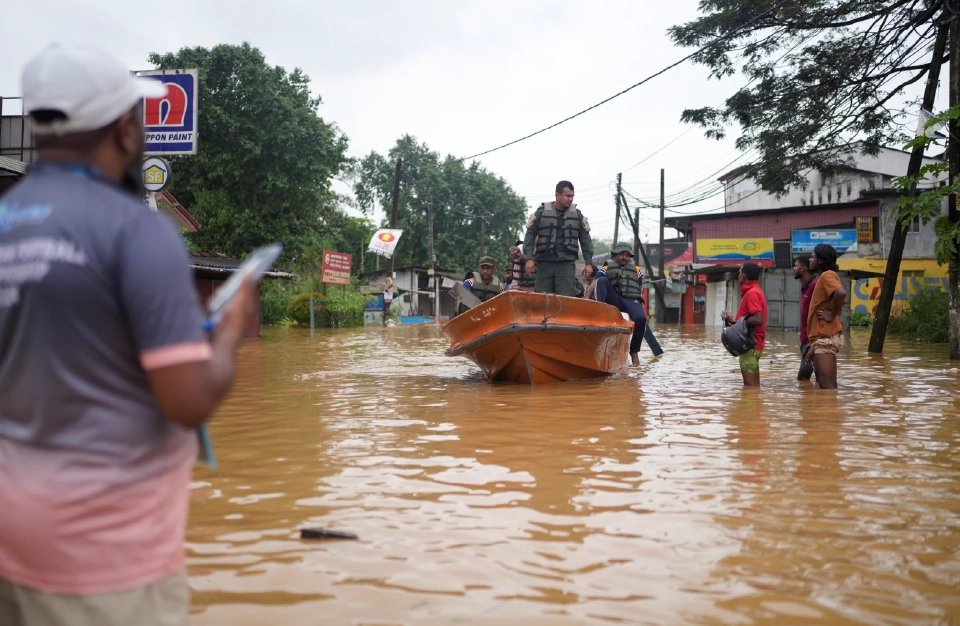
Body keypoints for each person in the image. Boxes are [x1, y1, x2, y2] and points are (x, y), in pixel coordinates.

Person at [0, 44, 257, 626]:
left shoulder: (6, 219)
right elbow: (187, 399)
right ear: (122, 129)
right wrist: (229, 331)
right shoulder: (137, 232)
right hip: (102, 548)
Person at [522, 180, 594, 296]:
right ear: (558, 195)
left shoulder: (577, 215)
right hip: (544, 263)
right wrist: (529, 258)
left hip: (566, 264)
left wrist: (588, 263)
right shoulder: (541, 213)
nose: (570, 199)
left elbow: (585, 240)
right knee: (542, 299)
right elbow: (529, 236)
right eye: (567, 196)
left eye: (572, 196)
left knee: (565, 299)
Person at [595, 243, 647, 367]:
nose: (624, 257)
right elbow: (595, 284)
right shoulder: (607, 267)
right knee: (602, 280)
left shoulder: (637, 269)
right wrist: (587, 299)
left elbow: (640, 286)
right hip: (614, 299)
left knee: (642, 318)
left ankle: (634, 351)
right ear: (615, 255)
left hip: (630, 299)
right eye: (621, 254)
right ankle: (599, 311)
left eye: (627, 255)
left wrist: (638, 303)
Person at [806, 243, 846, 389]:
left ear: (821, 260)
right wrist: (814, 347)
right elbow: (841, 298)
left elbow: (841, 294)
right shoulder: (825, 277)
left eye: (813, 257)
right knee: (825, 388)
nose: (810, 259)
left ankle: (829, 412)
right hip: (822, 341)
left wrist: (831, 315)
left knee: (828, 389)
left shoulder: (827, 275)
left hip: (826, 340)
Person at [721, 262, 768, 387]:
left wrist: (740, 323)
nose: (738, 276)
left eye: (739, 273)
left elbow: (758, 319)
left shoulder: (752, 293)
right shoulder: (755, 291)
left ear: (744, 275)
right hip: (754, 345)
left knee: (750, 388)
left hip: (749, 347)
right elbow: (749, 319)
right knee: (755, 387)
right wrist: (734, 322)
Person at [794, 256, 818, 381]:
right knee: (803, 380)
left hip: (813, 341)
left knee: (822, 379)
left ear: (803, 269)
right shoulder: (806, 287)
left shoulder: (815, 285)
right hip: (805, 340)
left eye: (796, 266)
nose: (794, 268)